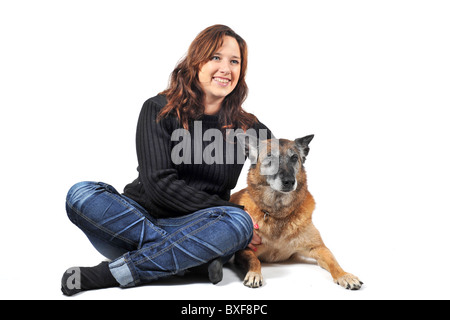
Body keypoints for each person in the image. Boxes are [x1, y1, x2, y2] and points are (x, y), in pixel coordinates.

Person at [61, 24, 273, 296]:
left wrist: (254, 220)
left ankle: (113, 273)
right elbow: (160, 186)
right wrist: (231, 216)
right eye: (215, 57)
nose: (226, 68)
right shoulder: (159, 109)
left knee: (238, 223)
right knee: (81, 193)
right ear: (196, 62)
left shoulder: (249, 128)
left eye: (235, 61)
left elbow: (276, 177)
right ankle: (193, 260)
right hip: (136, 219)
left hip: (203, 224)